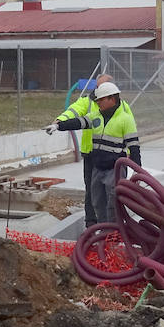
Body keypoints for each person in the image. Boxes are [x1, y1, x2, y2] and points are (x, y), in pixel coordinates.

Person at [49, 81, 140, 226]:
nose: (98, 103)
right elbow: (78, 122)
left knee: (113, 202)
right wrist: (58, 126)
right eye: (97, 100)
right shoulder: (95, 116)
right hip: (98, 168)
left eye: (101, 100)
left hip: (115, 169)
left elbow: (134, 147)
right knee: (97, 202)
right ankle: (104, 231)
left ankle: (114, 231)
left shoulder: (125, 119)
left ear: (111, 99)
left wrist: (137, 172)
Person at [45, 74, 114, 227]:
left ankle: (110, 224)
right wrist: (59, 122)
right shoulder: (88, 102)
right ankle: (91, 223)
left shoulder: (121, 107)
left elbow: (129, 131)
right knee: (91, 189)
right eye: (97, 86)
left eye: (101, 87)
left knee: (111, 190)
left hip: (111, 155)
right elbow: (73, 112)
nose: (97, 90)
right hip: (91, 154)